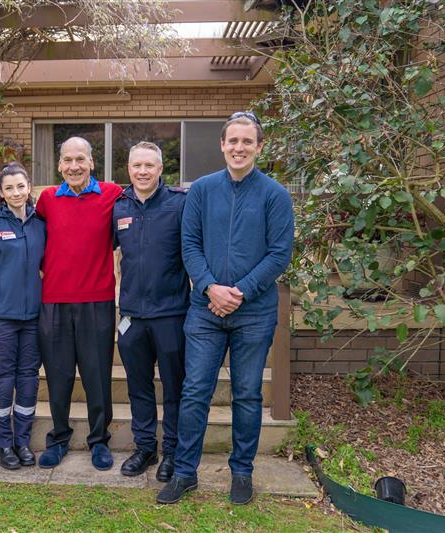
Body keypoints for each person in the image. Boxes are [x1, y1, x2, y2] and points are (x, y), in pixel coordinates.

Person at [156, 112, 294, 505]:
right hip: (204, 311)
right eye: (232, 141)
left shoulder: (274, 194)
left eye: (247, 141)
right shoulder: (201, 190)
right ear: (222, 145)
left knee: (247, 394)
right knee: (195, 390)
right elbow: (190, 246)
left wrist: (240, 292)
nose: (239, 148)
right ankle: (185, 472)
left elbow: (279, 254)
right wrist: (211, 288)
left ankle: (242, 473)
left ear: (259, 147)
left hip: (254, 313)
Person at [34, 136, 123, 470]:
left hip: (97, 300)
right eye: (67, 160)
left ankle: (99, 441)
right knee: (58, 376)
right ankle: (58, 438)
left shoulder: (113, 195)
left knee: (97, 375)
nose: (74, 166)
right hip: (53, 300)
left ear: (91, 162)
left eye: (80, 159)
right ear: (59, 165)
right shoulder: (46, 200)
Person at [112, 142, 188, 481]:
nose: (142, 171)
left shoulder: (179, 204)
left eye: (149, 166)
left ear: (161, 169)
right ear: (128, 168)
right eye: (136, 165)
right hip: (131, 315)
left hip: (170, 313)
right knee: (138, 385)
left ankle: (171, 451)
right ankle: (145, 447)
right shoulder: (118, 206)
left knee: (174, 386)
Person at [0, 162, 45, 470]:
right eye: (9, 188)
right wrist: (2, 288)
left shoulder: (40, 223)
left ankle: (22, 442)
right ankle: (4, 445)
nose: (16, 192)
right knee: (3, 382)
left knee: (29, 381)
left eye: (21, 186)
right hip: (1, 318)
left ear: (29, 188)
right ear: (0, 193)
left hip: (33, 318)